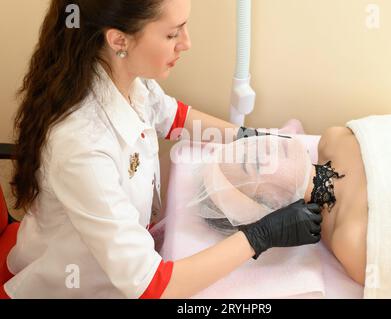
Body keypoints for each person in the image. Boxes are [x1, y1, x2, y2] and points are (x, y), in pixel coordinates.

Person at [2, 0, 322, 299]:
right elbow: (152, 286)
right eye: (172, 34)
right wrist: (259, 236)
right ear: (119, 41)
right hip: (79, 286)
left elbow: (172, 117)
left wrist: (247, 136)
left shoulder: (122, 78)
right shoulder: (82, 147)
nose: (186, 43)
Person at [193, 115, 391, 298]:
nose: (267, 143)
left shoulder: (334, 138)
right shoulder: (354, 241)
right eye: (258, 163)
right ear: (269, 206)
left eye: (253, 143)